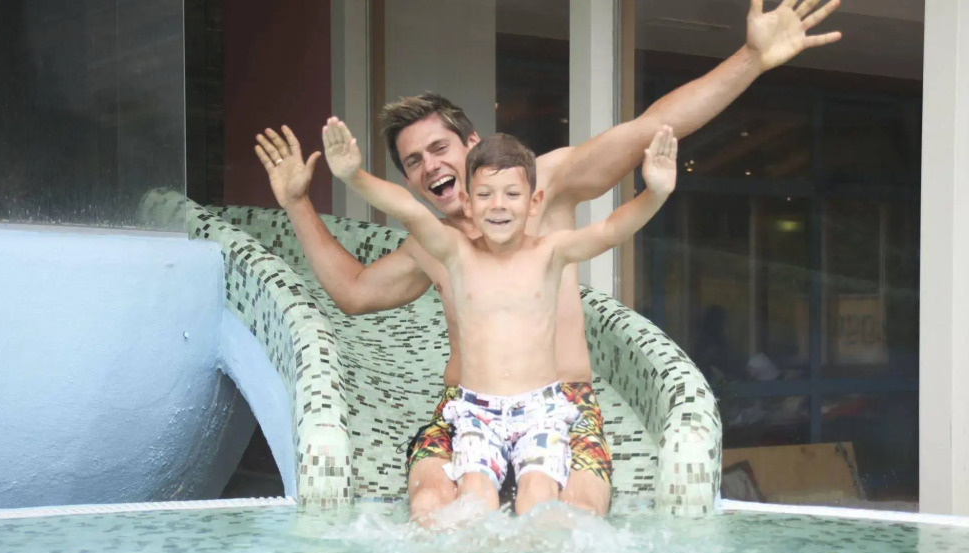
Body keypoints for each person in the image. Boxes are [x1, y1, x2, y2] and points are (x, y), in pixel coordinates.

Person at [253, 0, 842, 522]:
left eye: (439, 148)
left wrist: (750, 58)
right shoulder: (430, 245)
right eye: (413, 162)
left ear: (473, 146)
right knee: (430, 505)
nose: (430, 166)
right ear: (407, 180)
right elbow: (354, 291)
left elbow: (648, 131)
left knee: (575, 516)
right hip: (467, 411)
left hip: (561, 406)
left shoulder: (546, 187)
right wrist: (298, 202)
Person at [323, 119, 677, 514]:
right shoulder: (457, 254)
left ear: (534, 203)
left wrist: (656, 194)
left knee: (539, 498)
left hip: (541, 409)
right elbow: (407, 209)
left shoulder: (550, 252)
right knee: (474, 499)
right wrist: (353, 176)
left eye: (512, 194)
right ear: (468, 203)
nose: (498, 205)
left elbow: (610, 230)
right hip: (477, 411)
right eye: (485, 195)